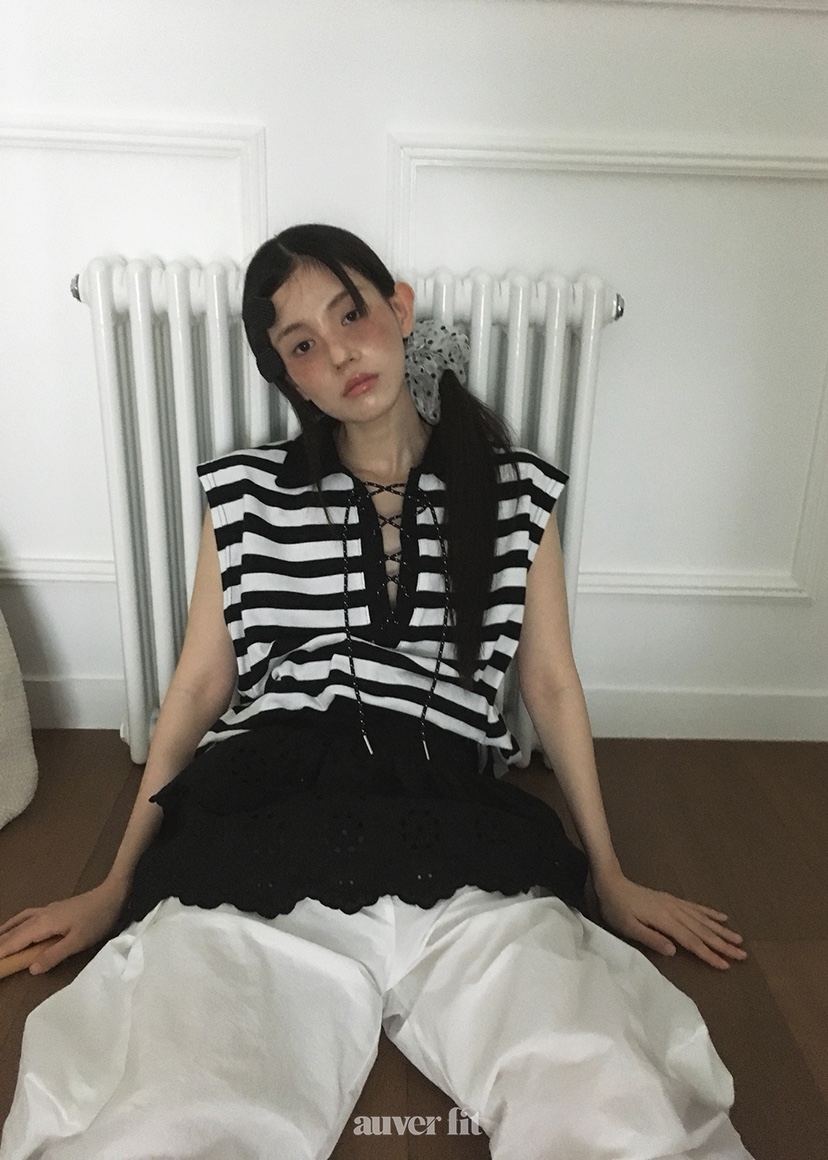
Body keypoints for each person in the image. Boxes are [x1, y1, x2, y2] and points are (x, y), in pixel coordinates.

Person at [0, 224, 753, 1159]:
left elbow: (551, 686)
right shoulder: (246, 495)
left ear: (398, 309)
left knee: (609, 1097)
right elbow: (196, 687)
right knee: (172, 1115)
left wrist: (610, 872)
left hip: (455, 826)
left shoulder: (515, 494)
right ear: (289, 378)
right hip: (269, 824)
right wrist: (115, 885)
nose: (339, 352)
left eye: (350, 314)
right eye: (301, 345)